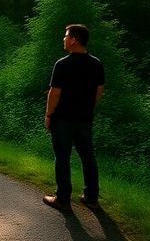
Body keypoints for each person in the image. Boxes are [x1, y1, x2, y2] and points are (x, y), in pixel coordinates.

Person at [42, 23, 105, 212]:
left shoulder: (62, 64)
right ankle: (91, 198)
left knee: (62, 157)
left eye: (66, 35)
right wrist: (86, 108)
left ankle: (62, 199)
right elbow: (99, 92)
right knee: (88, 157)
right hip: (85, 119)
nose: (64, 39)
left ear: (74, 40)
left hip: (62, 120)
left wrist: (48, 115)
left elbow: (54, 93)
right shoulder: (97, 64)